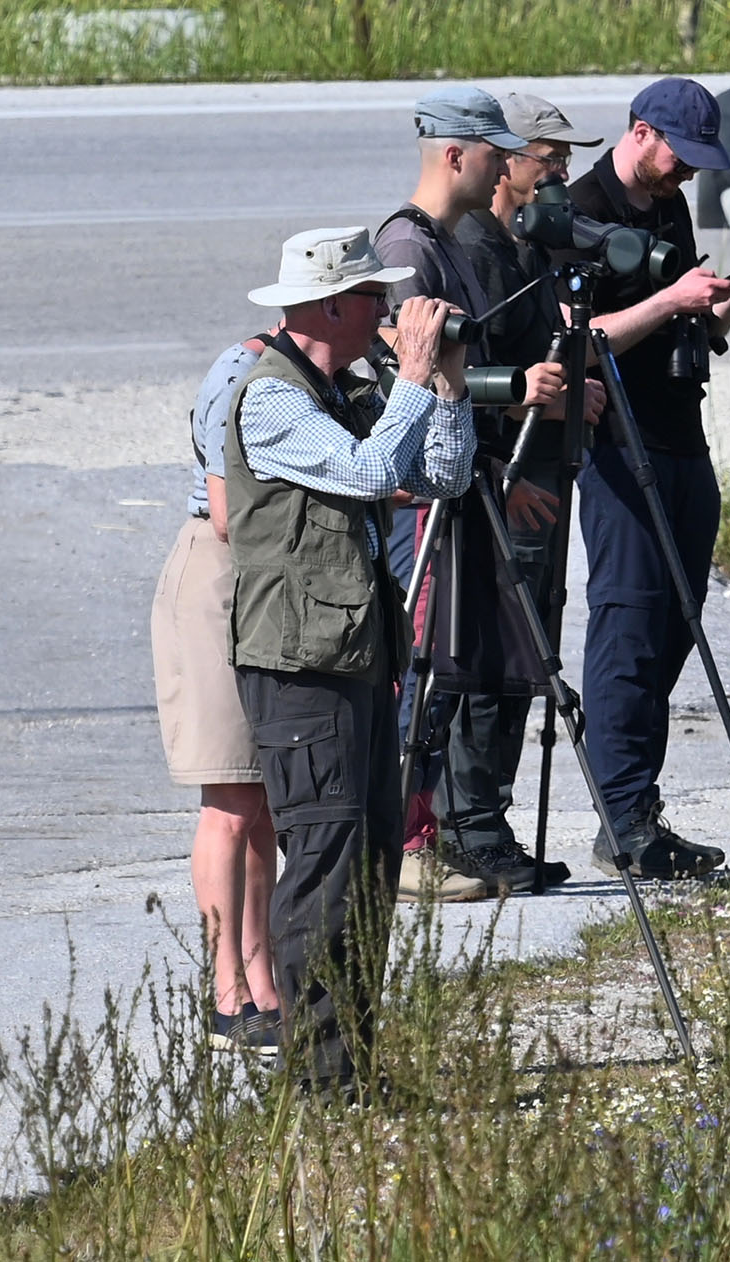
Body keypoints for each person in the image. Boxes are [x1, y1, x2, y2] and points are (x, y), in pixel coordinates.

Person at [225, 226, 475, 1090]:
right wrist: (409, 376)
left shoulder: (344, 391)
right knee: (326, 864)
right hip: (298, 667)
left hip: (357, 654)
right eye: (375, 300)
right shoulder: (272, 399)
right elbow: (372, 477)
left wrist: (442, 386)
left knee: (368, 868)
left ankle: (353, 1066)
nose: (388, 313)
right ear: (331, 304)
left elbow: (439, 477)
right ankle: (320, 1081)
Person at [563, 77, 730, 879]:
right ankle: (623, 820)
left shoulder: (667, 206)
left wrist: (724, 301)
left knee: (677, 622)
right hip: (620, 446)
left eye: (697, 163)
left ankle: (637, 809)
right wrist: (670, 297)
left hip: (680, 437)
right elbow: (579, 341)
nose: (687, 174)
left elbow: (684, 320)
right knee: (628, 625)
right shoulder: (581, 210)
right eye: (679, 157)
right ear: (642, 132)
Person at [374, 85, 571, 900]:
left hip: (460, 480)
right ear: (456, 154)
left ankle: (432, 832)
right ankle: (402, 841)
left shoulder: (441, 242)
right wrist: (514, 391)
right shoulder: (407, 247)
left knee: (451, 664)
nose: (501, 161)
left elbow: (455, 377)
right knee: (422, 667)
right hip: (424, 495)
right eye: (491, 147)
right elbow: (407, 377)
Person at [437, 90, 609, 891]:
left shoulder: (528, 245)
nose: (561, 176)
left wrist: (579, 386)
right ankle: (467, 824)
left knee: (526, 651)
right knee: (494, 654)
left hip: (532, 471)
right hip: (498, 479)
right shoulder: (469, 247)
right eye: (550, 160)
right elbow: (450, 376)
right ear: (508, 161)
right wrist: (506, 467)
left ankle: (489, 818)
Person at [150, 333, 284, 1054]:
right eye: (377, 306)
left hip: (262, 581)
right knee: (229, 802)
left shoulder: (317, 373)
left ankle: (262, 975)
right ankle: (225, 990)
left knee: (260, 797)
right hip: (219, 577)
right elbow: (231, 512)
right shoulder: (245, 372)